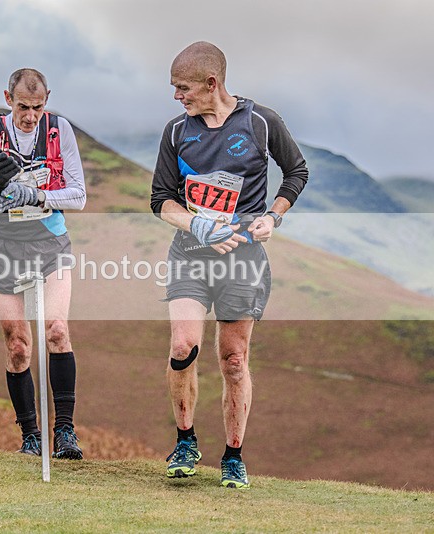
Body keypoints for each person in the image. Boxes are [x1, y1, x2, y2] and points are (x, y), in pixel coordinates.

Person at [150, 42, 309, 488]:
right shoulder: (177, 132)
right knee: (183, 346)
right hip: (190, 257)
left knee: (234, 360)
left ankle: (233, 455)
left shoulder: (262, 122)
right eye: (174, 88)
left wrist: (273, 216)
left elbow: (297, 171)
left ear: (211, 83)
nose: (177, 97)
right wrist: (197, 226)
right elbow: (160, 200)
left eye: (183, 88)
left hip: (243, 261)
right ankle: (185, 440)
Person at [0, 68, 87, 459]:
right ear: (9, 99)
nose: (30, 115)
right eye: (23, 106)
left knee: (56, 330)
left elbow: (78, 196)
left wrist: (35, 196)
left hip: (49, 240)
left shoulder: (60, 130)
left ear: (47, 100)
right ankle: (29, 435)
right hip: (3, 242)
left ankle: (66, 433)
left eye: (38, 107)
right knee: (19, 345)